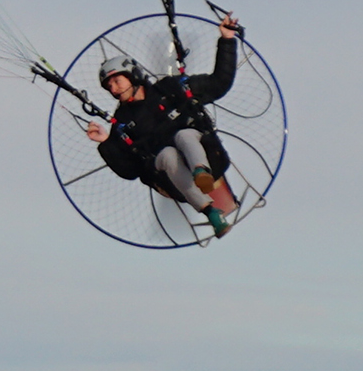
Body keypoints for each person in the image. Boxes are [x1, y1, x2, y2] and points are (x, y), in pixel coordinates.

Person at [82, 12, 247, 235]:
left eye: (116, 80)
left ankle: (201, 172)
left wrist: (227, 40)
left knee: (184, 136)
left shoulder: (170, 89)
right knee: (167, 154)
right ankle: (211, 213)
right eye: (108, 86)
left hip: (210, 157)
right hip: (173, 180)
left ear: (132, 76)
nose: (113, 88)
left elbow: (219, 83)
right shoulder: (122, 122)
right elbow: (129, 171)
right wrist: (106, 143)